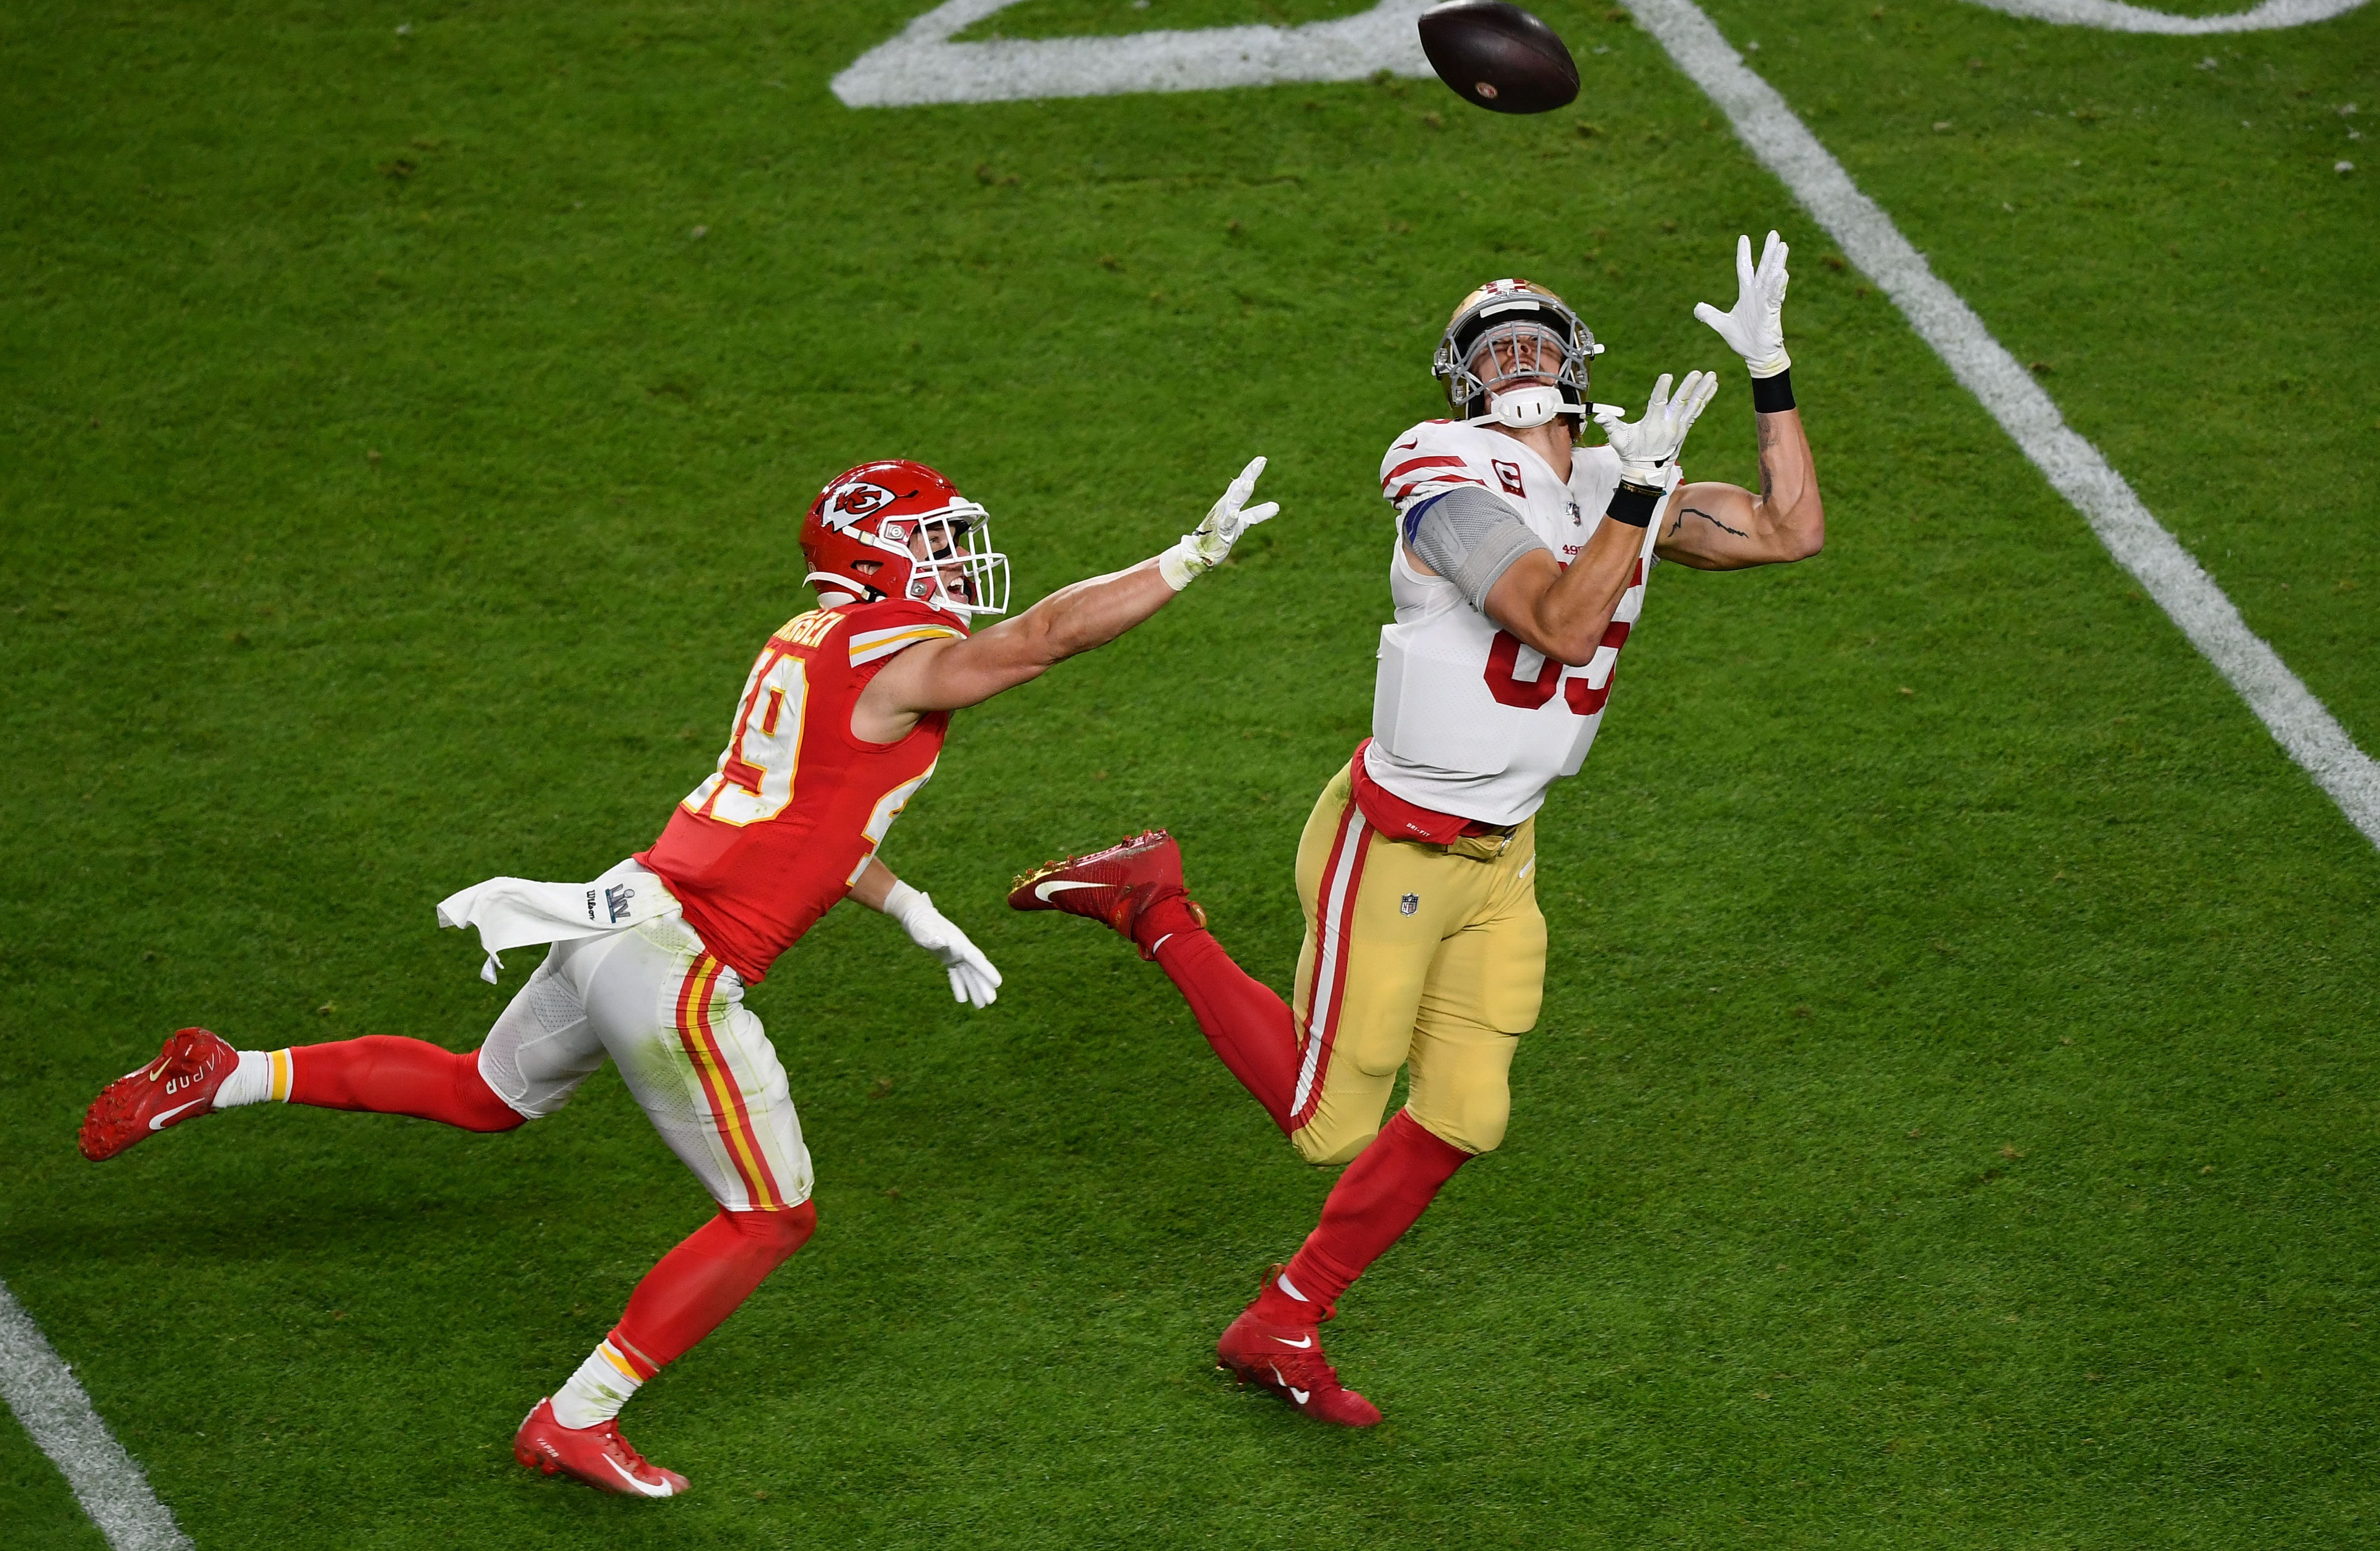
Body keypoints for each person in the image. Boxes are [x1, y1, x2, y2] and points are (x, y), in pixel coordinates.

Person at [77, 454, 1279, 1494]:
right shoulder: (887, 648)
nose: (956, 562)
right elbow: (1045, 639)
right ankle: (576, 1419)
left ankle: (230, 1073)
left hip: (623, 911)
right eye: (930, 542)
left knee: (482, 1092)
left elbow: (804, 813)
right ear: (870, 556)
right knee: (770, 1212)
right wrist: (1185, 559)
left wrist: (908, 906)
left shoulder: (807, 636)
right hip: (681, 962)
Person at [1009, 232, 1823, 1426]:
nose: (1518, 363)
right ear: (1461, 385)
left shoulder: (1611, 477)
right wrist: (1638, 496)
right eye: (1493, 352)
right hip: (1394, 839)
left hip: (1507, 851)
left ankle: (1282, 1318)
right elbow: (1553, 621)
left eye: (1537, 342)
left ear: (1578, 365)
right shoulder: (1443, 472)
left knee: (1465, 1116)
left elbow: (1791, 529)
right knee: (1324, 1120)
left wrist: (1771, 370)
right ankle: (1152, 903)